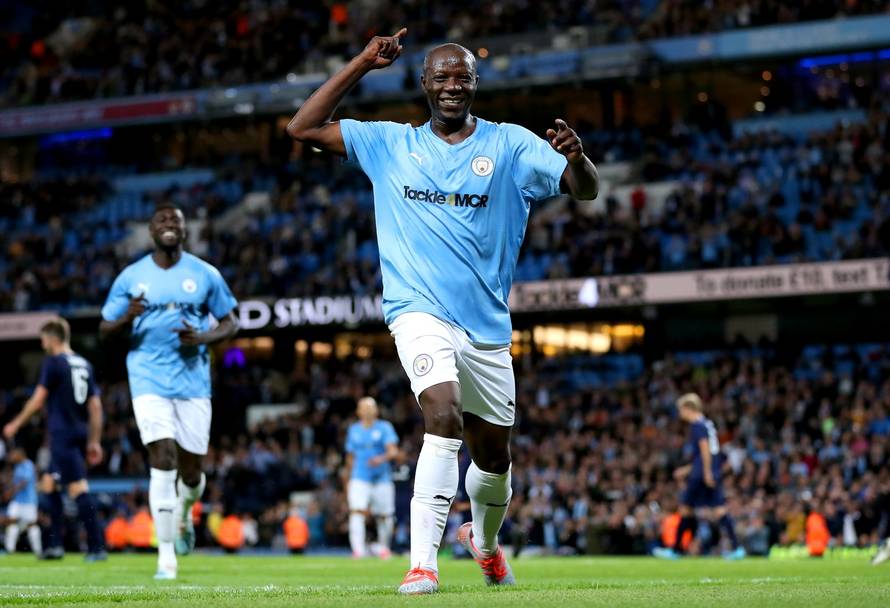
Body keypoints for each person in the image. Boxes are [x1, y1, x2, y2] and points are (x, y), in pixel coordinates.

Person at [286, 28, 598, 594]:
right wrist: (361, 62)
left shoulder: (510, 145)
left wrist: (577, 159)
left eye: (463, 77)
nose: (453, 85)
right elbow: (301, 127)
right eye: (442, 77)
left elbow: (585, 191)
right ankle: (422, 563)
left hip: (486, 328)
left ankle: (485, 543)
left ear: (474, 84)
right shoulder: (389, 144)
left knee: (495, 461)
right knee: (442, 414)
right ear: (424, 84)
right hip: (417, 312)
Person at [99, 202, 239, 580]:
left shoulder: (204, 274)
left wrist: (205, 337)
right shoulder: (132, 276)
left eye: (175, 220)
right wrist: (126, 317)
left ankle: (183, 516)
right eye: (161, 220)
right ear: (151, 231)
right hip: (147, 378)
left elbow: (231, 321)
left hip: (193, 382)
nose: (168, 225)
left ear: (184, 229)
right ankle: (165, 558)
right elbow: (103, 328)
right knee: (162, 459)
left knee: (192, 473)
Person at [3, 319, 105, 560]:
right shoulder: (84, 364)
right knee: (48, 484)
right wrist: (94, 440)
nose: (42, 343)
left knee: (78, 487)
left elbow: (38, 399)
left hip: (63, 433)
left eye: (44, 338)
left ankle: (97, 546)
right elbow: (96, 407)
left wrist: (15, 424)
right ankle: (54, 545)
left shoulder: (54, 362)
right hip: (79, 431)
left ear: (53, 338)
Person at [653, 393, 745, 560]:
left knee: (686, 509)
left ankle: (676, 550)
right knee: (718, 510)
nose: (680, 413)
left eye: (681, 409)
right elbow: (707, 454)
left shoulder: (697, 425)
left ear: (689, 408)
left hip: (701, 475)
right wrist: (688, 470)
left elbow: (704, 450)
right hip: (706, 471)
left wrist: (707, 472)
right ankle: (737, 548)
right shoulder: (708, 424)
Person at [344, 396, 400, 559]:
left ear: (376, 410)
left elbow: (393, 451)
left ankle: (384, 547)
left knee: (385, 515)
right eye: (364, 407)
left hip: (382, 478)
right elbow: (350, 456)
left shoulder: (384, 427)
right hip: (359, 477)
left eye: (371, 407)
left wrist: (380, 459)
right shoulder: (354, 429)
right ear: (358, 411)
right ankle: (358, 550)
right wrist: (348, 478)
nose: (368, 410)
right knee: (356, 512)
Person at [2, 448, 42, 557]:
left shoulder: (28, 465)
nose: (12, 457)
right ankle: (9, 549)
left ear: (20, 454)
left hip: (29, 501)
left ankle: (38, 551)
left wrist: (11, 492)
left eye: (14, 454)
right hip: (17, 500)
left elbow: (24, 482)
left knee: (31, 525)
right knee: (11, 522)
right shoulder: (17, 466)